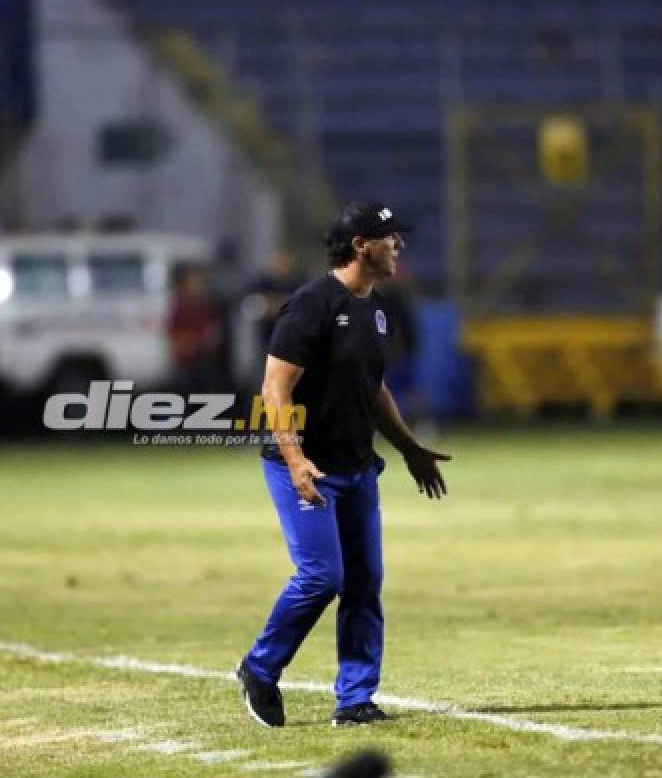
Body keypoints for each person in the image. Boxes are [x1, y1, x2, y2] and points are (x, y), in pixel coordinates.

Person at [236, 200, 451, 728]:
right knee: (321, 576)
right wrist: (296, 459)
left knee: (363, 584)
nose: (399, 245)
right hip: (306, 466)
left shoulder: (377, 310)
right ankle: (259, 668)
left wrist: (409, 447)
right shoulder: (310, 304)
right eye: (390, 237)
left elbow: (374, 391)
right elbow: (274, 388)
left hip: (358, 468)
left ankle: (355, 699)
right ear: (361, 245)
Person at [166, 264, 223, 393]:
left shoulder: (205, 305)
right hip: (184, 360)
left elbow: (210, 333)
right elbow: (173, 332)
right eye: (193, 281)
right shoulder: (179, 306)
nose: (196, 285)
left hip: (202, 359)